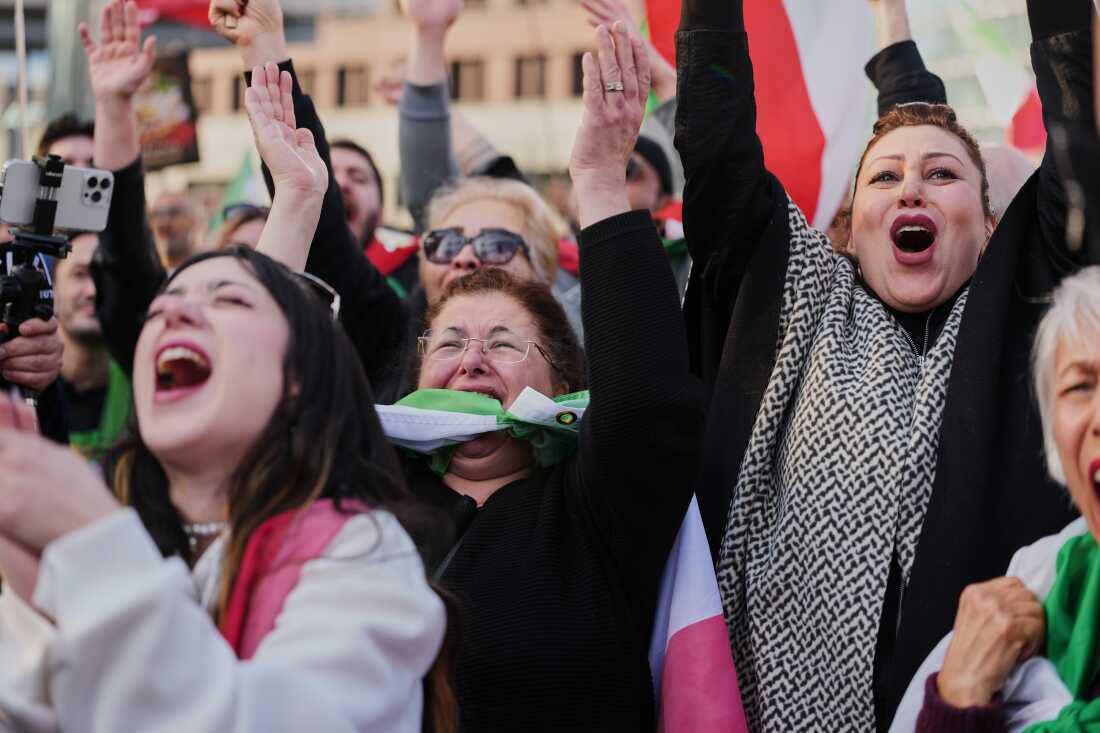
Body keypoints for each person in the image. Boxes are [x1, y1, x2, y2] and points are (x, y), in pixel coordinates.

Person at [244, 19, 704, 727]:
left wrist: (599, 181)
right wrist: (298, 199)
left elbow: (647, 406)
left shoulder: (597, 506)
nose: (472, 356)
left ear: (564, 382)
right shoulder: (363, 487)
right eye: (450, 341)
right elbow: (246, 409)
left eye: (504, 341)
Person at [0, 7, 447, 729]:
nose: (180, 315)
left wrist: (95, 548)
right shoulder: (97, 535)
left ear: (300, 375)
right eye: (167, 306)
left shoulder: (362, 556)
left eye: (226, 301)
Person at [676, 0, 1095, 729]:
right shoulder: (794, 294)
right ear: (850, 228)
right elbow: (717, 147)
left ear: (990, 226)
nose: (910, 189)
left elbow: (1079, 123)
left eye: (942, 173)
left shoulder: (1028, 301)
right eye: (883, 178)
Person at [93, 0, 408, 403]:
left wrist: (263, 44)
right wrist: (114, 108)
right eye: (231, 272)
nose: (184, 312)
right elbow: (126, 261)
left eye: (276, 262)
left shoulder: (366, 330)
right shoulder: (169, 341)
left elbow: (325, 238)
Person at [52, 233, 131, 461]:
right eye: (80, 274)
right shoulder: (17, 384)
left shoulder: (144, 385)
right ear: (52, 291)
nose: (93, 290)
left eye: (106, 275)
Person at [149, 190, 201, 269]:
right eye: (156, 214)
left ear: (194, 221)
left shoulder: (208, 269)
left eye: (174, 213)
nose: (163, 222)